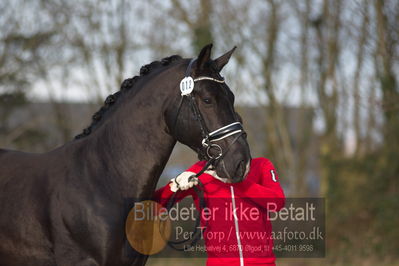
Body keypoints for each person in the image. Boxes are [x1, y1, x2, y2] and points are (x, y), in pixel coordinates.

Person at [154, 157, 285, 266]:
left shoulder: (261, 164)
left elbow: (277, 202)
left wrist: (237, 181)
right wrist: (174, 185)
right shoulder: (199, 171)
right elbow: (155, 205)